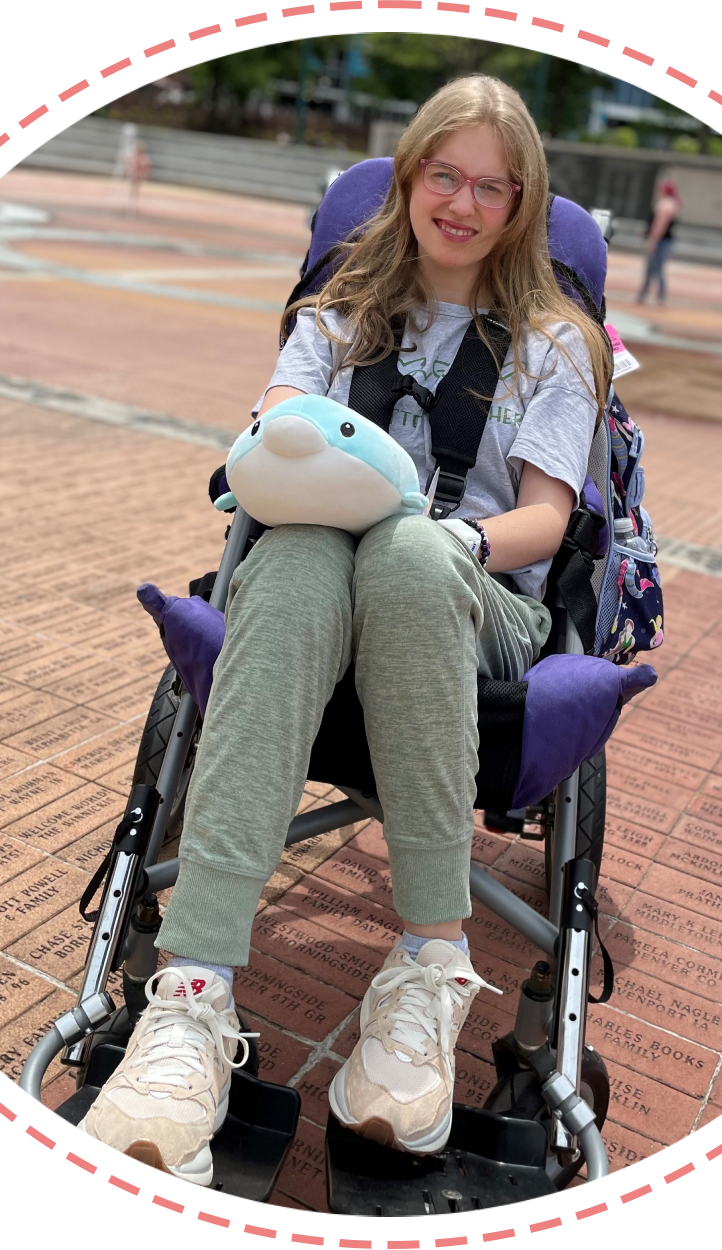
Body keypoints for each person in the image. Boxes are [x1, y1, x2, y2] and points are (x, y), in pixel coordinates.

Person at [78, 74, 614, 1185]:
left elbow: (543, 520)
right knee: (305, 550)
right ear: (409, 173)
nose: (461, 204)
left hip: (478, 597)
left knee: (416, 548)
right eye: (443, 176)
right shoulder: (334, 317)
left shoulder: (555, 342)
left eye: (491, 188)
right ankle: (188, 1001)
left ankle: (427, 967)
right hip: (318, 586)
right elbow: (269, 435)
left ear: (520, 204)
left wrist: (451, 537)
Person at [637, 179, 681, 304]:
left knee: (653, 269)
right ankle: (654, 295)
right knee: (658, 269)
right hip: (666, 242)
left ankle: (646, 294)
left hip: (661, 242)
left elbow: (660, 225)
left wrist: (652, 241)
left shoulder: (664, 204)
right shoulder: (673, 203)